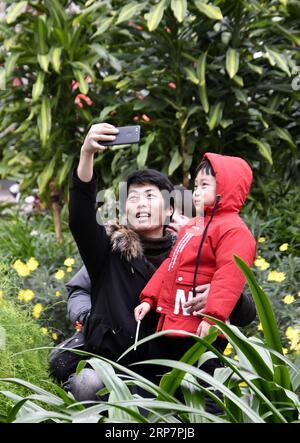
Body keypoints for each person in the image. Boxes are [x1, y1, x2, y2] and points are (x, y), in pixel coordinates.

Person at [51, 123, 256, 401]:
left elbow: (246, 312)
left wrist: (221, 297)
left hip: (179, 370)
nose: (140, 204)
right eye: (132, 198)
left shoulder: (194, 251)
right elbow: (80, 218)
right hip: (118, 369)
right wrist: (86, 153)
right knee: (88, 383)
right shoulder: (107, 252)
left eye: (150, 196)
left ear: (170, 208)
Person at [134, 153, 257, 409]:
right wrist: (150, 298)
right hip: (172, 323)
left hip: (201, 330)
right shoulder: (193, 227)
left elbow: (230, 274)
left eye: (204, 186)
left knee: (203, 390)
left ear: (226, 188)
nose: (196, 192)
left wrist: (213, 316)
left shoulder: (233, 230)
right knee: (151, 381)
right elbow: (171, 265)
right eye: (195, 186)